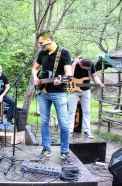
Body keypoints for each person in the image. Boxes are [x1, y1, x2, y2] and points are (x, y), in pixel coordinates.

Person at [32, 29, 73, 164]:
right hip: (43, 92)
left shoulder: (64, 53)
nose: (40, 45)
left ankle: (64, 152)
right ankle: (46, 149)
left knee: (64, 124)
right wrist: (35, 77)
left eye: (41, 43)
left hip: (59, 93)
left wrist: (61, 79)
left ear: (49, 40)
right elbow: (35, 69)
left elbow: (69, 74)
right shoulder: (42, 53)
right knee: (44, 122)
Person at [68, 58, 105, 139]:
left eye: (88, 68)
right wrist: (74, 64)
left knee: (87, 111)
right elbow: (69, 76)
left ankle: (87, 131)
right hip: (73, 90)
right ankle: (69, 131)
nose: (87, 69)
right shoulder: (73, 63)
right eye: (85, 68)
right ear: (81, 64)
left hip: (86, 90)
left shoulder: (90, 65)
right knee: (71, 111)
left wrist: (99, 83)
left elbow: (94, 76)